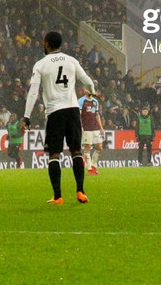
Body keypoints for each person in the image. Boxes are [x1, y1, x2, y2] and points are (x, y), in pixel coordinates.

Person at [21, 30, 95, 204]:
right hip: (72, 110)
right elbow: (88, 82)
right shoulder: (71, 60)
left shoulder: (41, 64)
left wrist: (26, 117)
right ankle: (80, 191)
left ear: (47, 43)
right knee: (76, 151)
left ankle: (58, 196)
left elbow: (33, 92)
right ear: (60, 44)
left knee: (54, 154)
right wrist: (91, 93)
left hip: (55, 112)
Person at [78, 89, 106, 176]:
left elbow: (97, 115)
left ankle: (93, 165)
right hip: (86, 128)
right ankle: (90, 168)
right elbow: (79, 114)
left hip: (95, 128)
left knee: (99, 147)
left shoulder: (95, 101)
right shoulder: (81, 101)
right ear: (84, 90)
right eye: (87, 89)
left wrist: (101, 127)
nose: (88, 90)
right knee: (87, 147)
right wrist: (80, 126)